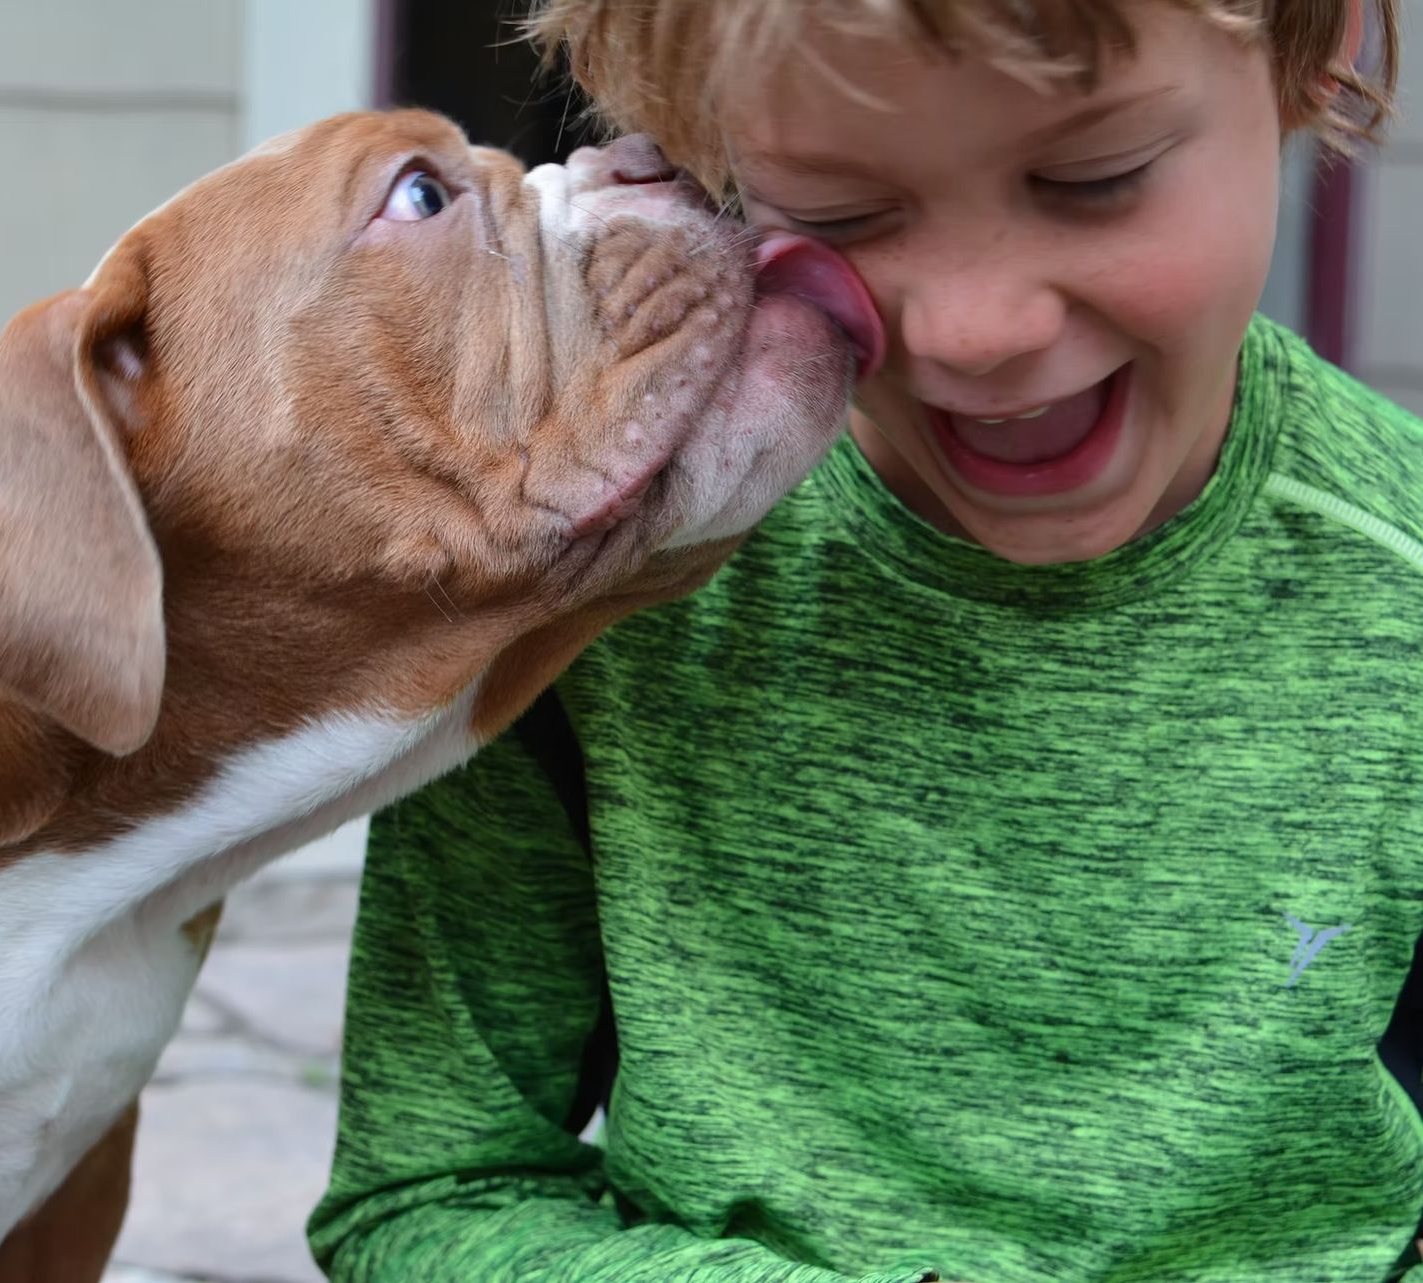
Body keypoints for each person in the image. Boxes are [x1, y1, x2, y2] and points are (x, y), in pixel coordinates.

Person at [306, 0, 1417, 1278]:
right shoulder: (609, 591)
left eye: (1091, 181)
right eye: (836, 214)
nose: (972, 330)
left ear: (1306, 54)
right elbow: (427, 1192)